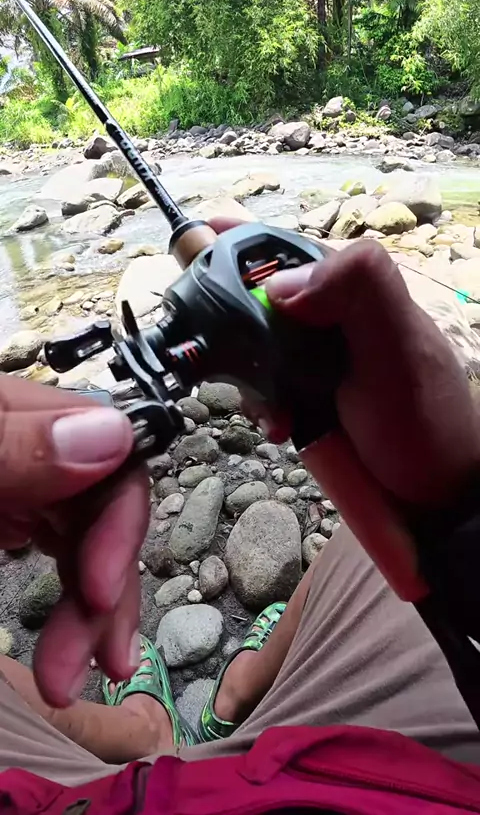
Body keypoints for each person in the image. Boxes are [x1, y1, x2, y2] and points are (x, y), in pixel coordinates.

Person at [1, 227, 480, 812]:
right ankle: (233, 695)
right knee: (378, 543)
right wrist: (454, 499)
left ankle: (152, 729)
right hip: (386, 779)